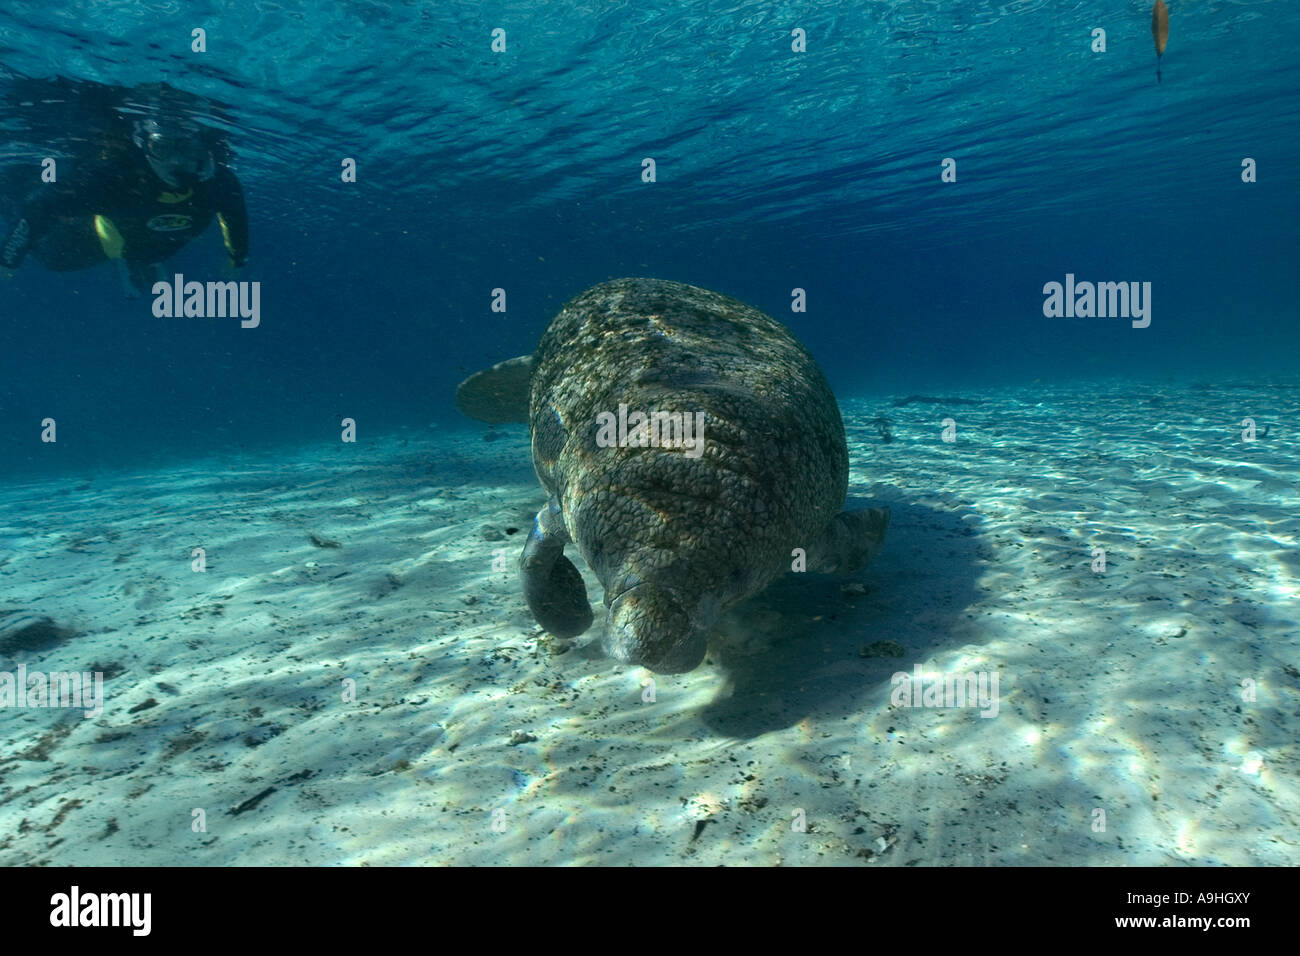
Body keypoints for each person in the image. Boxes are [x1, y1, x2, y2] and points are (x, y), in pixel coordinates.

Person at [1, 109, 248, 296]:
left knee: (155, 248)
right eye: (163, 148)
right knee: (54, 257)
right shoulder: (116, 178)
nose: (176, 160)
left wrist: (237, 257)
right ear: (145, 148)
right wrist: (9, 257)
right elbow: (41, 205)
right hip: (108, 236)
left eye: (187, 147)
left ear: (204, 147)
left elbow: (236, 218)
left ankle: (139, 261)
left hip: (155, 243)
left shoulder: (220, 183)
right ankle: (10, 185)